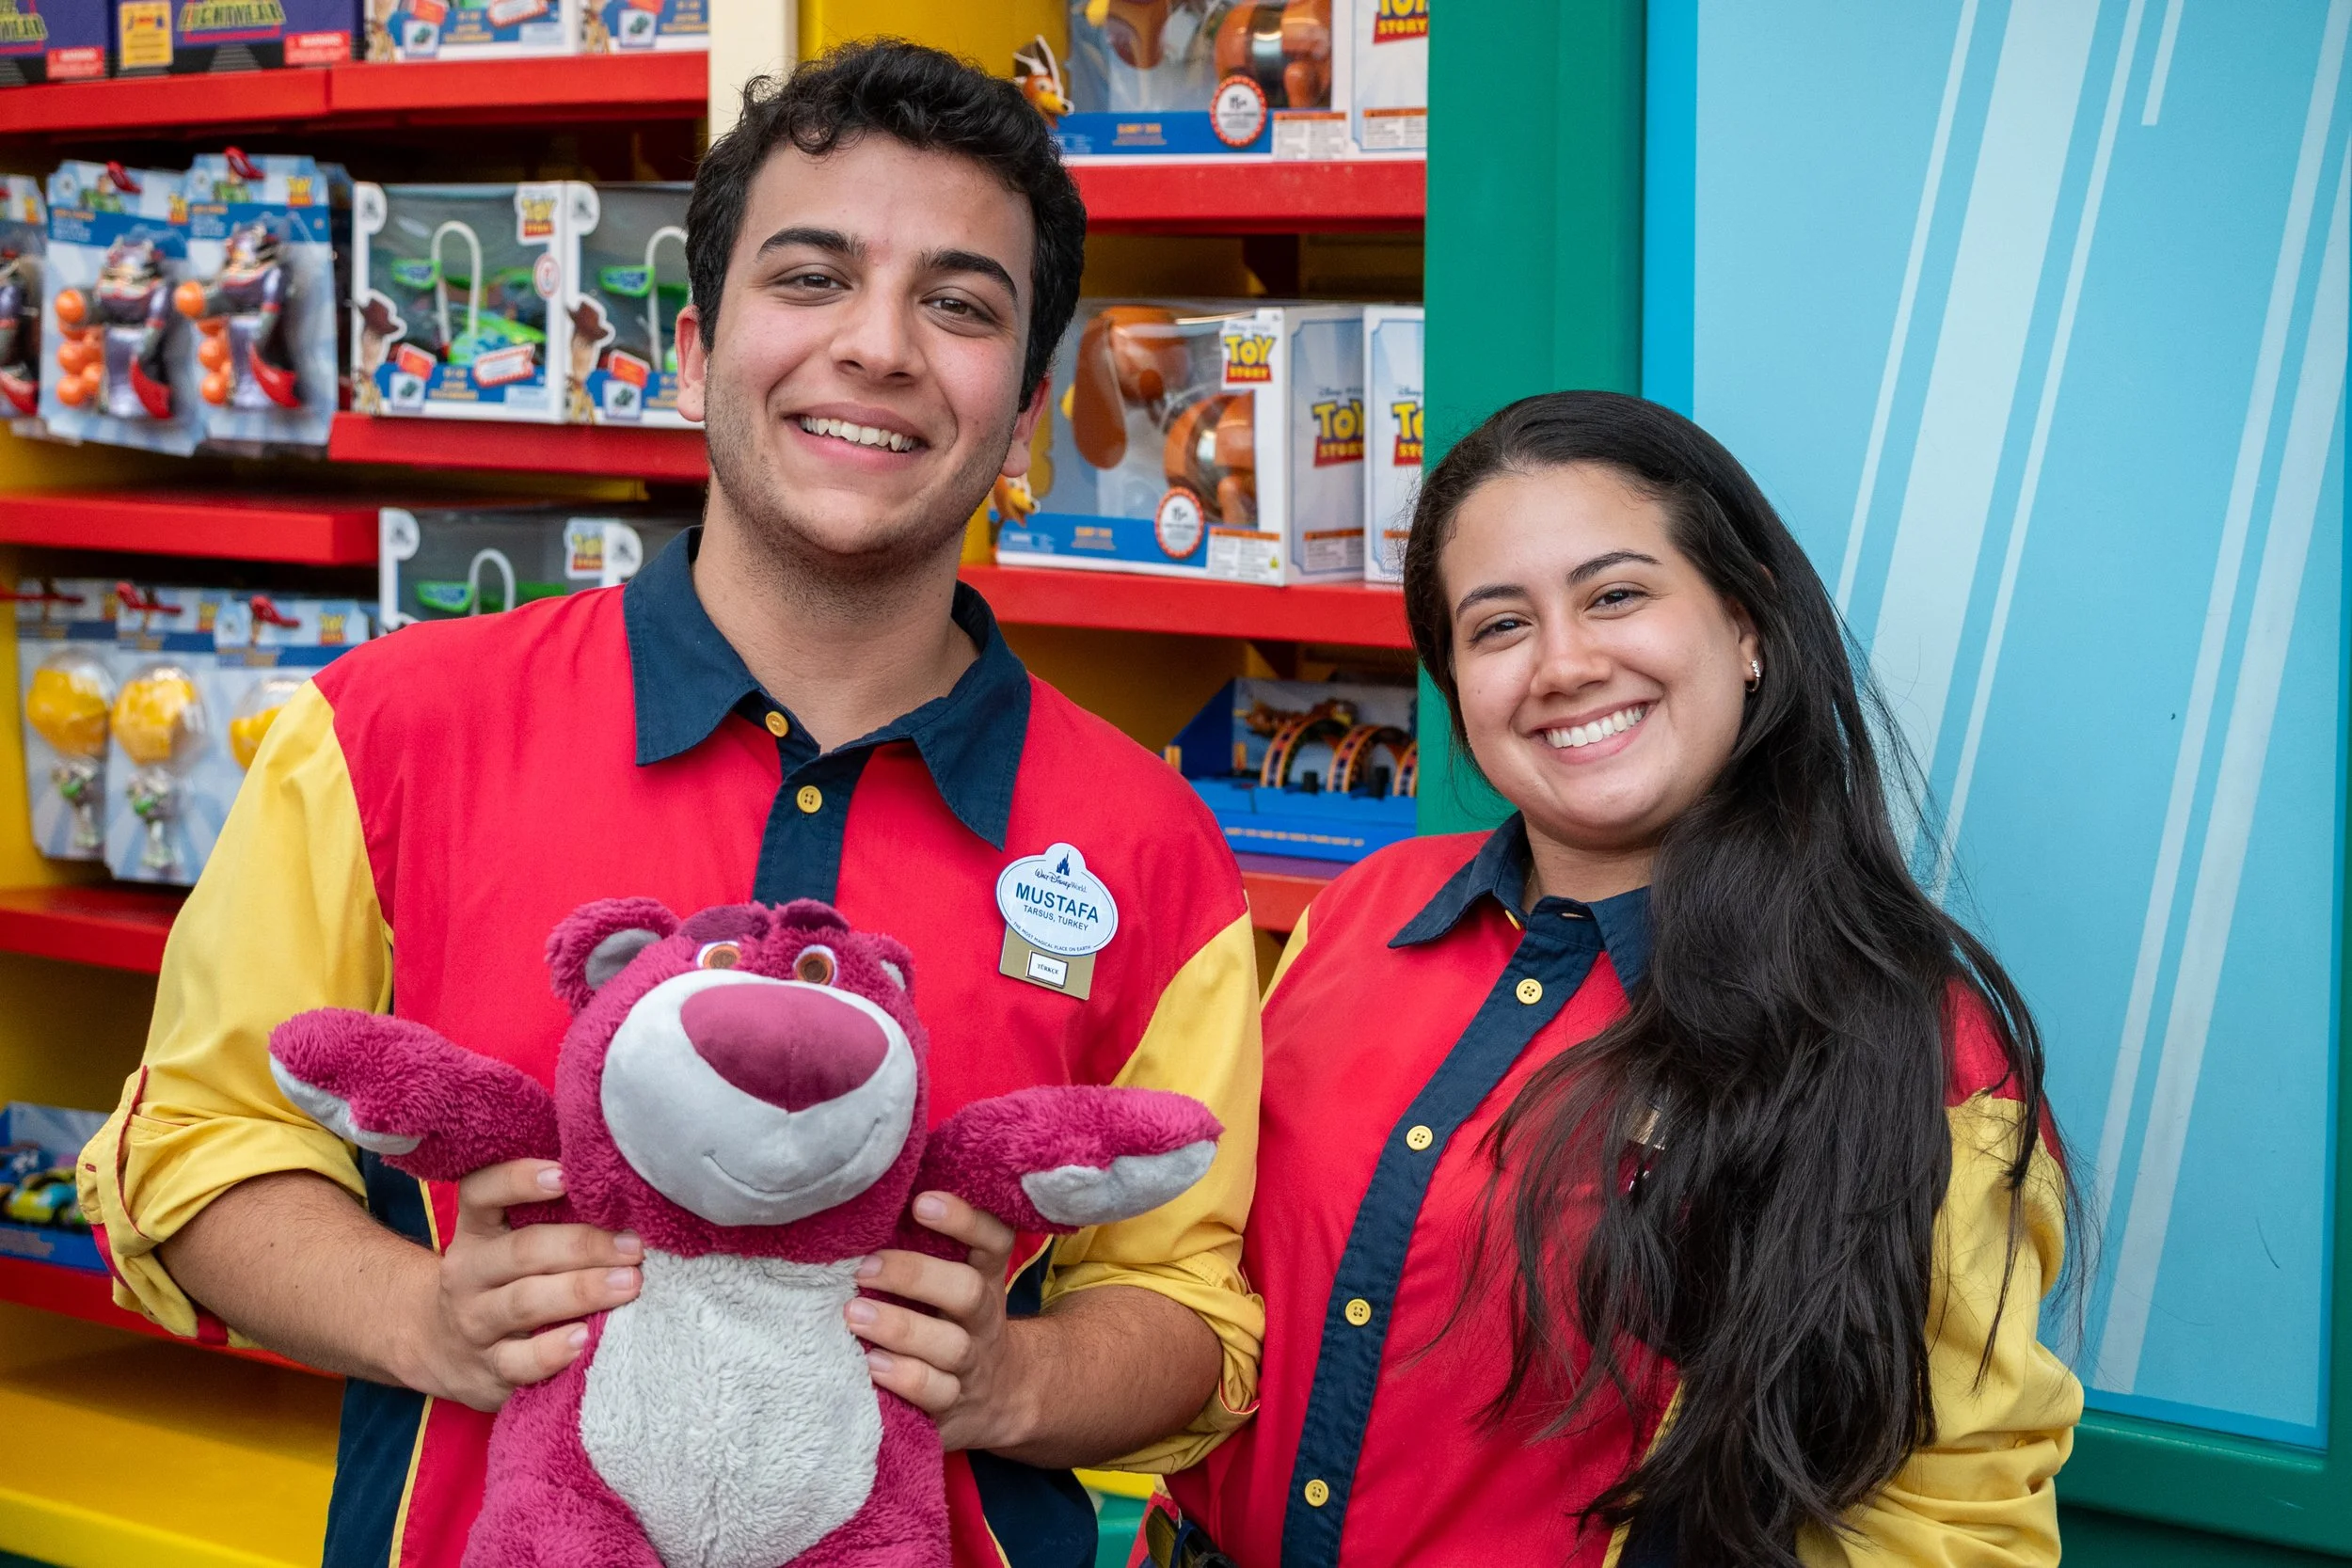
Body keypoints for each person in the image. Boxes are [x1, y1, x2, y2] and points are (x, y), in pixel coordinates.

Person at [79, 41, 1263, 1568]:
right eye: (812, 277)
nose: (881, 347)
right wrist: (423, 1316)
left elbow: (1192, 1309)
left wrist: (1021, 1374)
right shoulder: (384, 734)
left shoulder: (1146, 846)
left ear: (1026, 413)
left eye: (960, 303)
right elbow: (196, 1148)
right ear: (695, 351)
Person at [1160, 391, 2082, 1567]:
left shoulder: (1917, 1046)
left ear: (1746, 625)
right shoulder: (1365, 910)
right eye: (1498, 626)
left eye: (1615, 595)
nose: (1564, 663)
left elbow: (1952, 1527)